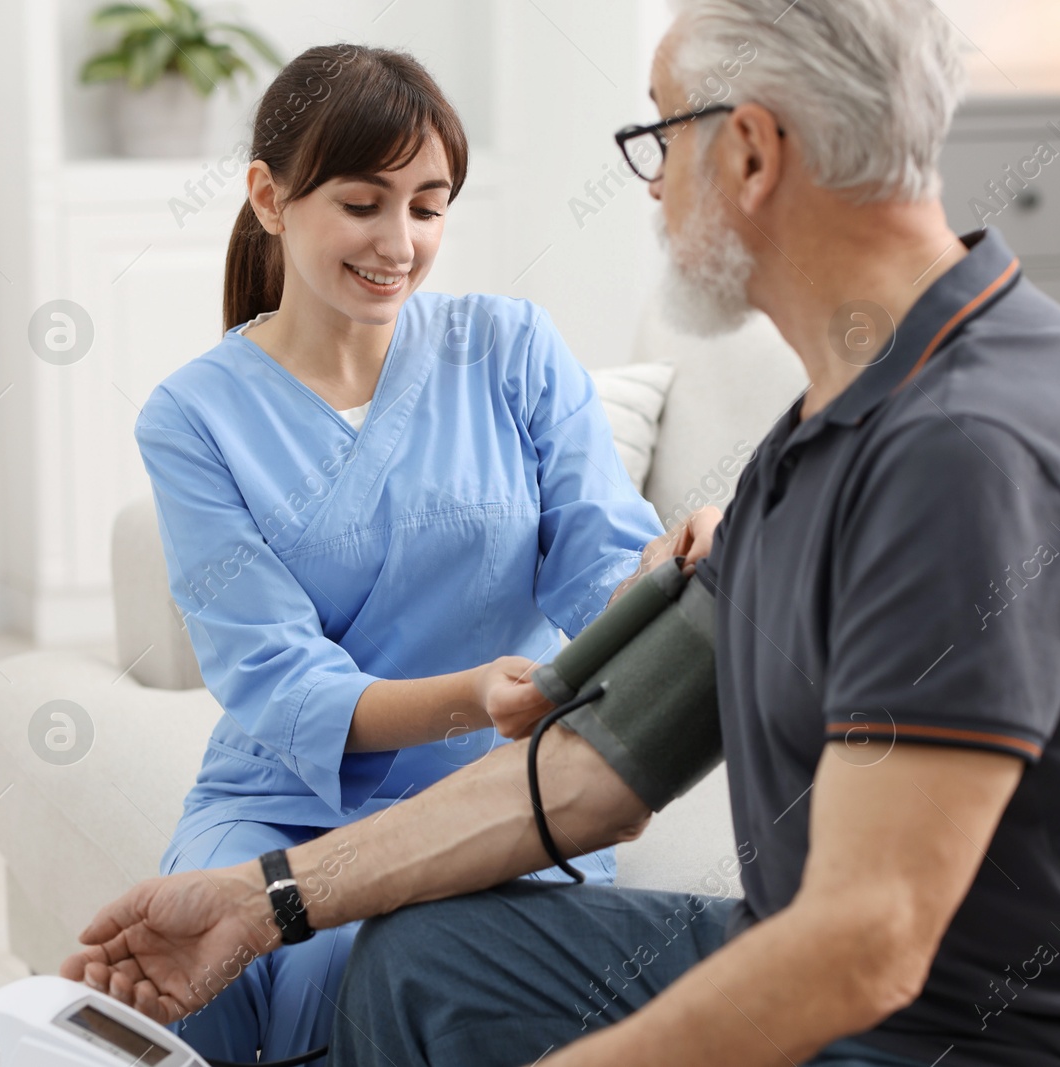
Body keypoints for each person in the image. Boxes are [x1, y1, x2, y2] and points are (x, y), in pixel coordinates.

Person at [64, 3, 1060, 1065]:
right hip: (857, 973)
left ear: (748, 151)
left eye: (658, 139)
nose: (648, 184)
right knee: (419, 967)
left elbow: (866, 945)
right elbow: (591, 776)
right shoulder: (823, 429)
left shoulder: (968, 450)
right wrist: (267, 897)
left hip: (981, 1036)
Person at [124, 43, 714, 1066]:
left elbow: (600, 562)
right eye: (363, 203)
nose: (399, 241)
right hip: (279, 793)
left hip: (500, 790)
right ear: (269, 197)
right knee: (182, 980)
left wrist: (676, 567)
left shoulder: (512, 348)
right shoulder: (192, 415)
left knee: (359, 968)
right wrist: (471, 689)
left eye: (429, 206)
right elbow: (273, 674)